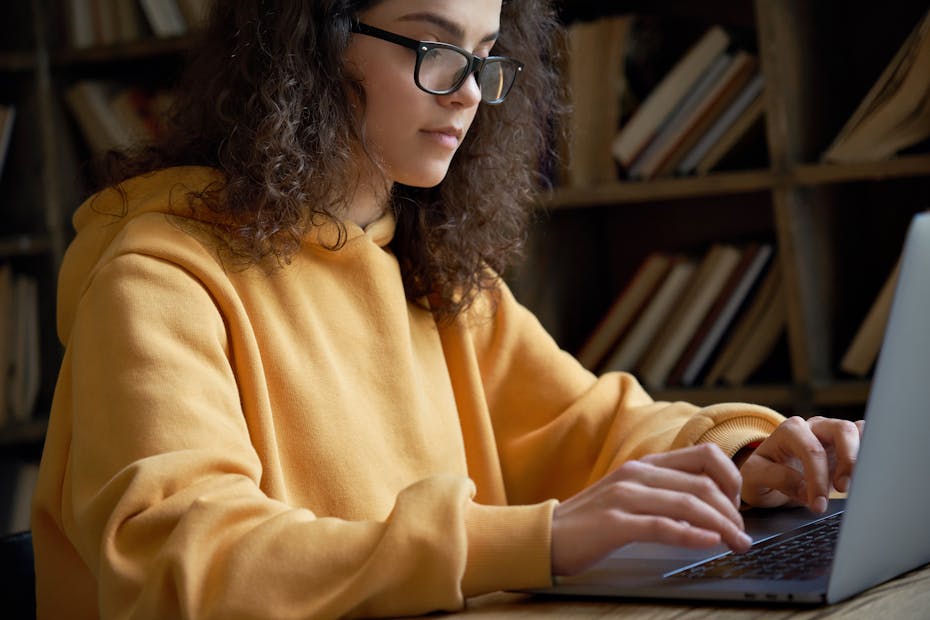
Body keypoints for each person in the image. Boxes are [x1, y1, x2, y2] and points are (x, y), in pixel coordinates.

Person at [32, 0, 863, 618]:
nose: (469, 93)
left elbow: (588, 426)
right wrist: (529, 540)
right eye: (435, 47)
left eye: (486, 56)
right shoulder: (158, 278)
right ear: (305, 50)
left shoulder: (422, 266)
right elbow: (182, 562)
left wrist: (740, 456)